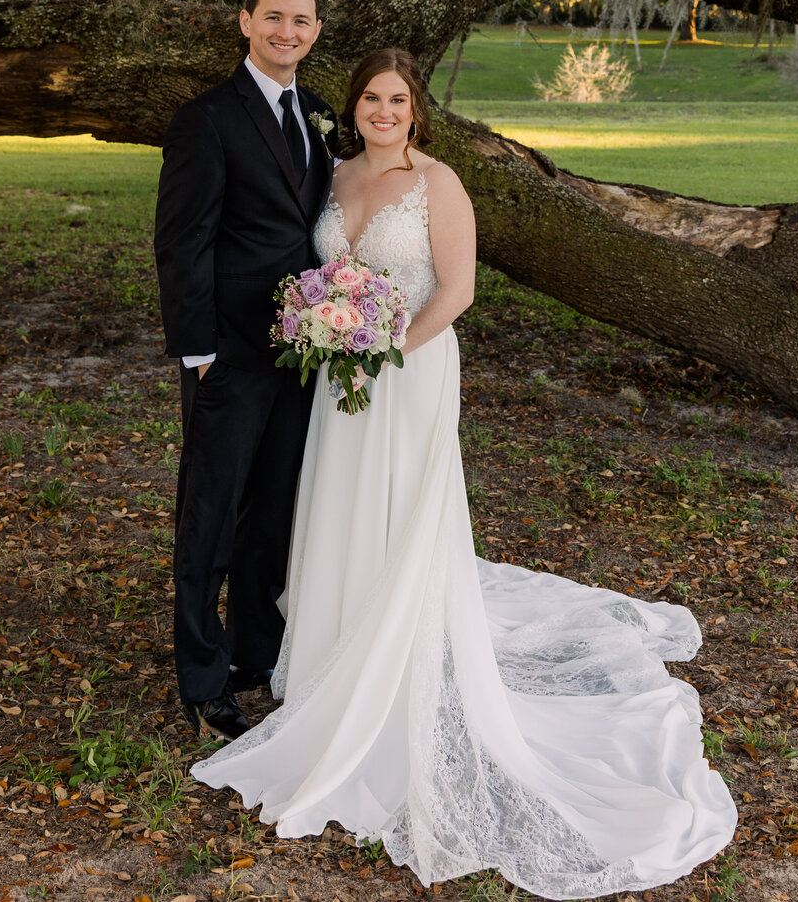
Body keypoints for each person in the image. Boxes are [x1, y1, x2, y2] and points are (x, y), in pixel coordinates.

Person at [192, 48, 739, 898]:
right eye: (370, 98)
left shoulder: (437, 182)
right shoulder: (331, 180)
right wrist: (333, 334)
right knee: (338, 508)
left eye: (397, 99)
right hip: (340, 378)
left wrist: (387, 349)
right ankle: (332, 651)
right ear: (354, 107)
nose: (382, 110)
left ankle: (395, 662)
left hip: (406, 373)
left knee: (405, 512)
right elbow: (315, 274)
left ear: (417, 110)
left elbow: (457, 291)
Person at [153, 0, 335, 743]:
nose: (285, 32)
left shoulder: (323, 114)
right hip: (228, 351)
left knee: (276, 511)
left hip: (305, 354)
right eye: (272, 18)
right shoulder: (208, 119)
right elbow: (182, 242)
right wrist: (197, 354)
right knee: (211, 512)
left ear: (315, 31)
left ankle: (256, 653)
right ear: (245, 22)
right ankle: (201, 672)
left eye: (300, 21)